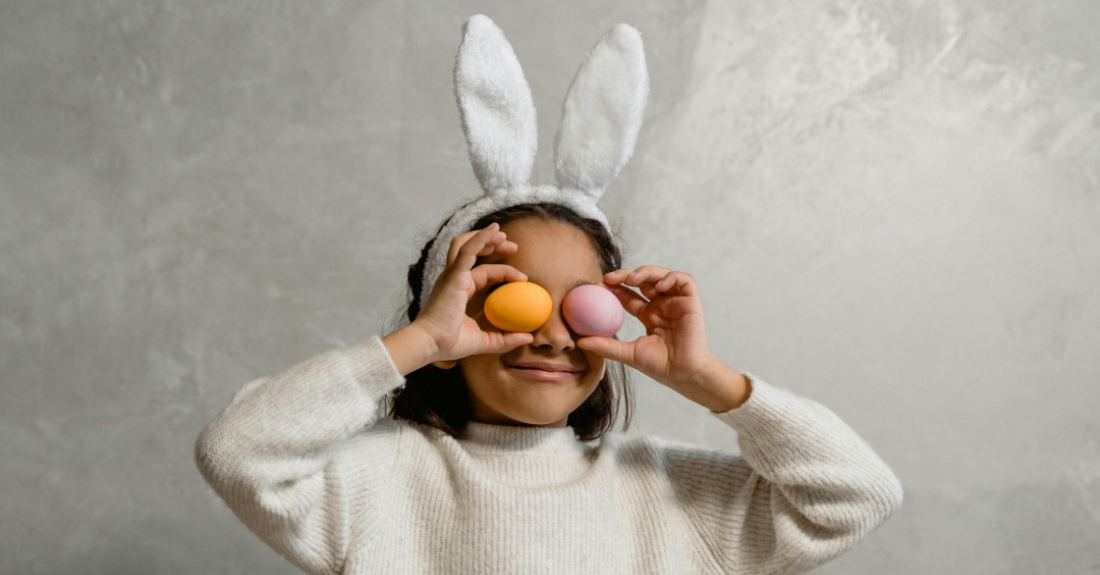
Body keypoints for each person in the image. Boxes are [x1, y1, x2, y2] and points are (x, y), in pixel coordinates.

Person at [195, 15, 903, 575]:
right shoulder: (380, 483)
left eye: (580, 304)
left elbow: (856, 493)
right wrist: (416, 345)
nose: (554, 335)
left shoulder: (667, 493)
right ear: (451, 319)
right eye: (516, 298)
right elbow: (237, 450)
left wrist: (707, 379)